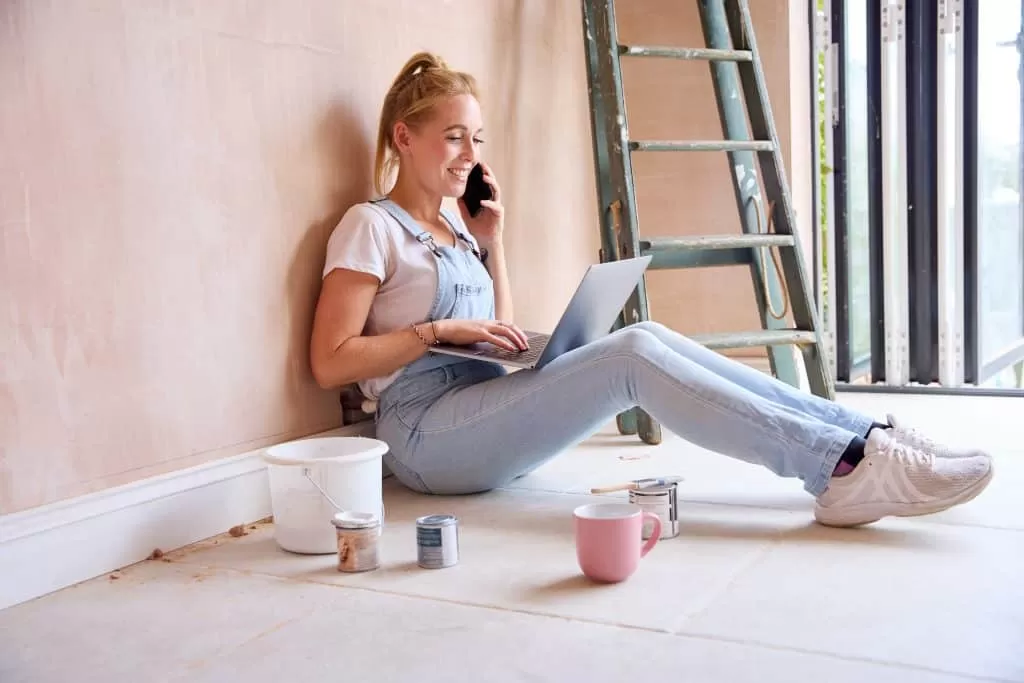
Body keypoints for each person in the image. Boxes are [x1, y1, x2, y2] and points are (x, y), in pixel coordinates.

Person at [309, 52, 993, 528]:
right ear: (404, 136)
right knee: (632, 355)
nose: (469, 153)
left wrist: (494, 241)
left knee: (649, 338)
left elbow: (501, 335)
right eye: (452, 136)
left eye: (476, 138)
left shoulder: (460, 231)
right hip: (421, 432)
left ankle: (863, 434)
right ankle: (841, 468)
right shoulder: (370, 226)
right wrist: (434, 332)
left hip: (473, 404)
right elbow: (329, 360)